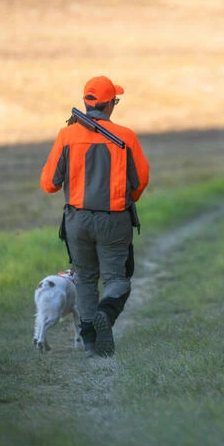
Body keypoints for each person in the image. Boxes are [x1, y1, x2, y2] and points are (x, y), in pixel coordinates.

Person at [40, 76, 150, 357]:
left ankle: (91, 344)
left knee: (86, 279)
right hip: (114, 220)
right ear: (110, 104)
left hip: (77, 221)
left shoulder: (67, 136)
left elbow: (49, 183)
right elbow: (139, 183)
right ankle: (105, 314)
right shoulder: (125, 137)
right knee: (117, 279)